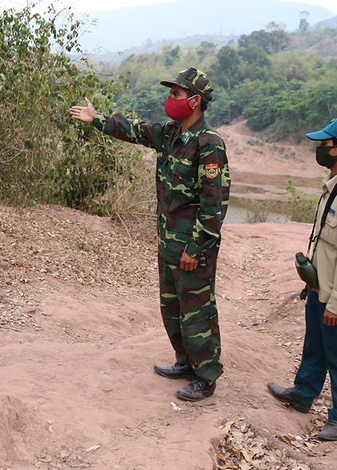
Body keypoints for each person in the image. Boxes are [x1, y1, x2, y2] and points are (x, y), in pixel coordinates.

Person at [69, 68, 229, 402]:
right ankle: (185, 362)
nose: (170, 100)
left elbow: (214, 206)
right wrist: (96, 119)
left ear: (196, 101)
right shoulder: (170, 134)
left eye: (177, 94)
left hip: (190, 247)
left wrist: (195, 248)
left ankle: (207, 374)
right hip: (169, 242)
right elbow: (135, 130)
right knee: (171, 307)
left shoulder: (209, 144)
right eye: (171, 93)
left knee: (196, 310)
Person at [267, 117, 337, 440]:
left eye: (325, 144)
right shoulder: (335, 185)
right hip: (320, 288)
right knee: (314, 347)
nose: (320, 148)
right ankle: (303, 394)